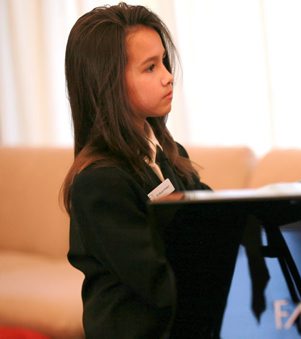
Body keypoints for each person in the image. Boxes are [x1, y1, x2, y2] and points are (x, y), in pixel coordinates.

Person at [61, 3, 221, 338]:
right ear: (108, 84)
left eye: (163, 61)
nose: (168, 75)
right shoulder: (99, 183)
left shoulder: (168, 155)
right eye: (150, 68)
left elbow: (213, 222)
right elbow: (159, 281)